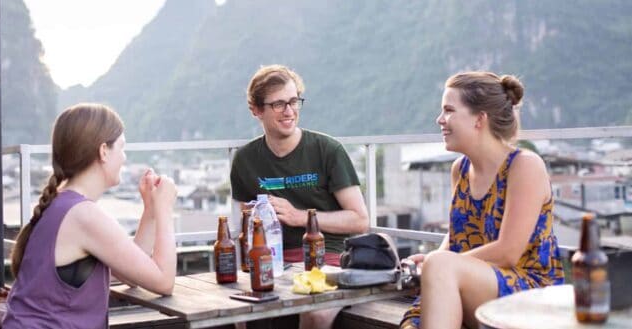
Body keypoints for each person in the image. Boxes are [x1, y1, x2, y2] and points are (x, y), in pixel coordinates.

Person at [399, 72, 565, 329]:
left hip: (531, 292)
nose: (440, 119)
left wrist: (441, 264)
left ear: (479, 119)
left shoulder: (524, 165)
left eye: (449, 110)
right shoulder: (460, 169)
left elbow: (508, 252)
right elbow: (456, 238)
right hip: (479, 284)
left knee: (440, 267)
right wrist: (432, 259)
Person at [3, 103, 178, 328]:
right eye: (122, 148)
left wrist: (151, 210)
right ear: (103, 151)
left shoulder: (63, 204)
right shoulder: (83, 215)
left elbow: (133, 275)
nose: (124, 158)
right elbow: (164, 282)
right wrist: (165, 208)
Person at [230, 65, 369, 329]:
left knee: (314, 313)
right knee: (241, 316)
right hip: (271, 264)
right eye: (279, 104)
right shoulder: (245, 160)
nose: (290, 111)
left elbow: (360, 220)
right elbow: (241, 228)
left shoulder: (327, 150)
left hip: (327, 260)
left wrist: (298, 217)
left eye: (294, 101)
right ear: (256, 110)